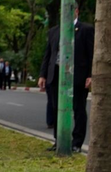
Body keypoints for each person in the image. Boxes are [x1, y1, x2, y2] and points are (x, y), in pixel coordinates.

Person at [38, 19, 95, 151]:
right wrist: (43, 75)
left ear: (76, 11)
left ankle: (77, 143)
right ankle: (60, 140)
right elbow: (48, 54)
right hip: (56, 74)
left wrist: (90, 75)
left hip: (77, 75)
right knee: (56, 108)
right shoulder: (54, 31)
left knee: (78, 109)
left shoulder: (85, 30)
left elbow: (91, 54)